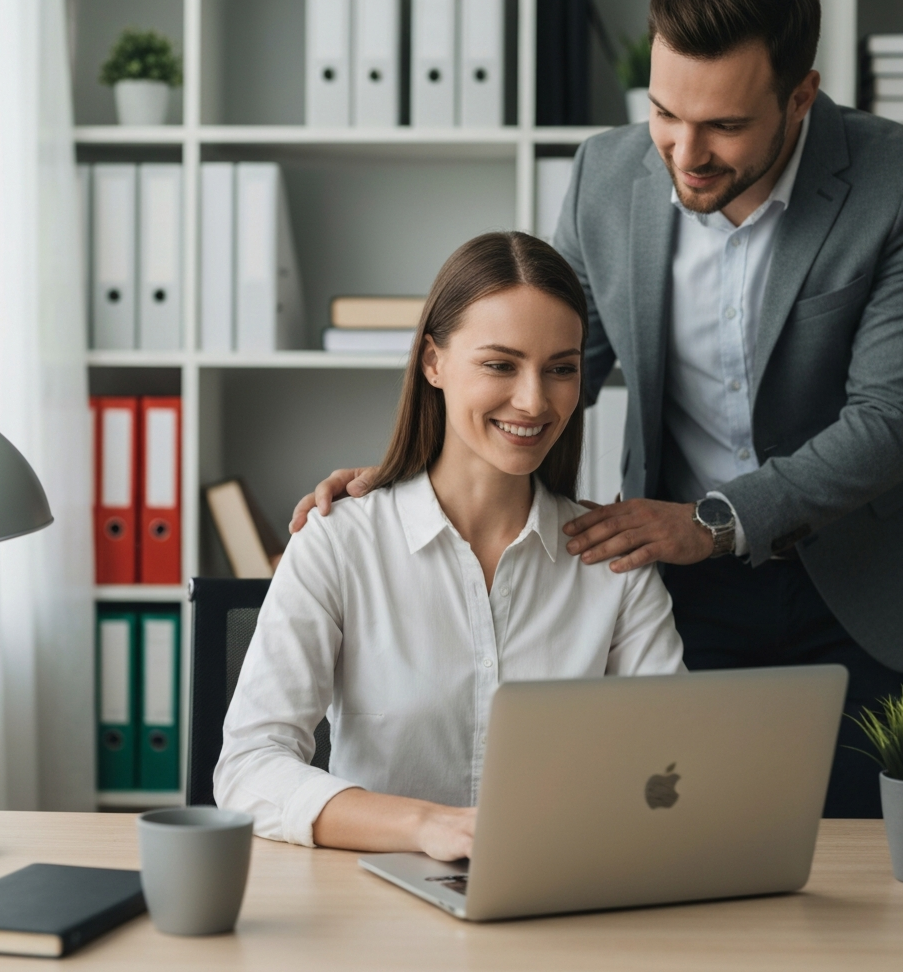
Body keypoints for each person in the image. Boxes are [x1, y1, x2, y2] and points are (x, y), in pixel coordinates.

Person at [290, 0, 903, 819]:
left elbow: (893, 419)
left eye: (723, 125)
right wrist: (404, 473)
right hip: (685, 586)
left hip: (871, 582)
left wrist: (714, 521)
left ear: (800, 97)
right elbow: (551, 365)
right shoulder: (607, 172)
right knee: (697, 844)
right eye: (663, 112)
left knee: (869, 877)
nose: (683, 153)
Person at [216, 232, 684, 859]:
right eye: (500, 364)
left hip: (564, 899)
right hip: (375, 906)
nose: (534, 400)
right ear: (433, 362)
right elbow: (249, 769)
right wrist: (429, 826)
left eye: (561, 369)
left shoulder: (613, 564)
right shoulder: (339, 542)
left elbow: (677, 771)